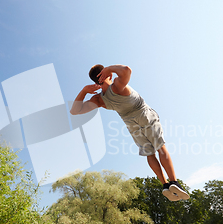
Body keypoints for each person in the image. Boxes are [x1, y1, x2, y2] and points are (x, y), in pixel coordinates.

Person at [70, 64, 189, 201]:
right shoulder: (116, 86)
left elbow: (74, 111)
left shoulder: (99, 99)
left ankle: (165, 185)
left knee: (150, 154)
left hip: (132, 125)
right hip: (144, 115)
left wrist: (84, 90)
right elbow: (127, 70)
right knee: (160, 148)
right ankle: (174, 182)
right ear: (108, 75)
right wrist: (110, 68)